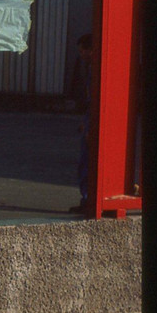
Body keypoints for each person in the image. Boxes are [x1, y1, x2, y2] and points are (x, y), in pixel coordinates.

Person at [69, 34, 92, 214]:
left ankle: (87, 198)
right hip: (89, 117)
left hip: (92, 119)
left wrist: (89, 123)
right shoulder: (90, 68)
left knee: (86, 162)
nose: (81, 54)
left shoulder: (94, 70)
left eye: (82, 50)